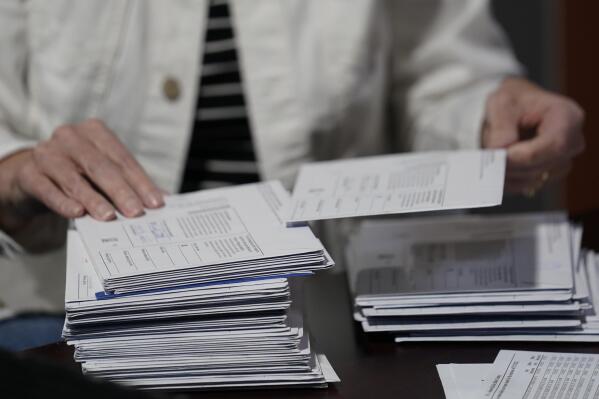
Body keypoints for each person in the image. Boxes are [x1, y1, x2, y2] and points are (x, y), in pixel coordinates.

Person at [0, 0, 585, 348]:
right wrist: (15, 170)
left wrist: (490, 112)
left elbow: (440, 71)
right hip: (69, 310)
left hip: (329, 305)